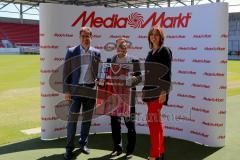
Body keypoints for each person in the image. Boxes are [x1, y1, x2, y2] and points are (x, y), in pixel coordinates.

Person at [63, 27, 101, 160]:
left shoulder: (96, 52)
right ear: (80, 37)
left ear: (91, 37)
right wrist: (66, 90)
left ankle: (83, 145)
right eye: (83, 36)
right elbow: (66, 71)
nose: (86, 38)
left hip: (90, 90)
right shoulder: (71, 51)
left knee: (86, 120)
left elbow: (98, 72)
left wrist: (99, 79)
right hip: (75, 90)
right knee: (72, 121)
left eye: (88, 36)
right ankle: (69, 148)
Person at [108, 37, 141, 159]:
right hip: (114, 97)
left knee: (130, 125)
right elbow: (106, 77)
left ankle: (130, 151)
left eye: (124, 45)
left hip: (129, 98)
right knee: (115, 124)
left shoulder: (134, 60)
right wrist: (99, 80)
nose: (122, 47)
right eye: (119, 45)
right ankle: (117, 148)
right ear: (116, 47)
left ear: (127, 46)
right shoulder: (111, 60)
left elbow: (139, 78)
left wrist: (134, 79)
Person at [142, 26, 172, 160]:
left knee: (153, 122)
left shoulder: (165, 50)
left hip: (159, 91)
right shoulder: (150, 53)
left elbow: (167, 72)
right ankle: (161, 152)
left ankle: (154, 155)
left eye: (157, 34)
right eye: (152, 34)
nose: (154, 36)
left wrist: (164, 91)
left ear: (161, 37)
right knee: (156, 122)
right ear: (149, 37)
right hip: (149, 91)